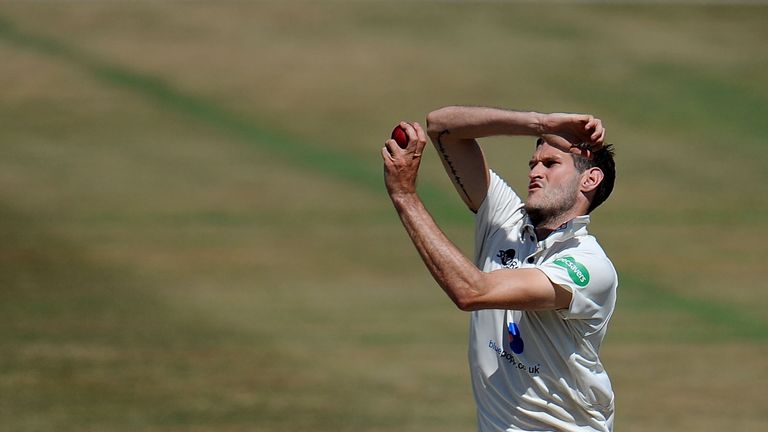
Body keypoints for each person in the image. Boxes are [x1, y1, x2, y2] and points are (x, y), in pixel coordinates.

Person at [381, 106, 618, 432]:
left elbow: (472, 291)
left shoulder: (588, 265)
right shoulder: (508, 222)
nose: (535, 173)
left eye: (550, 164)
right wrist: (541, 123)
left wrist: (405, 195)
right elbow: (441, 127)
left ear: (589, 179)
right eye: (533, 164)